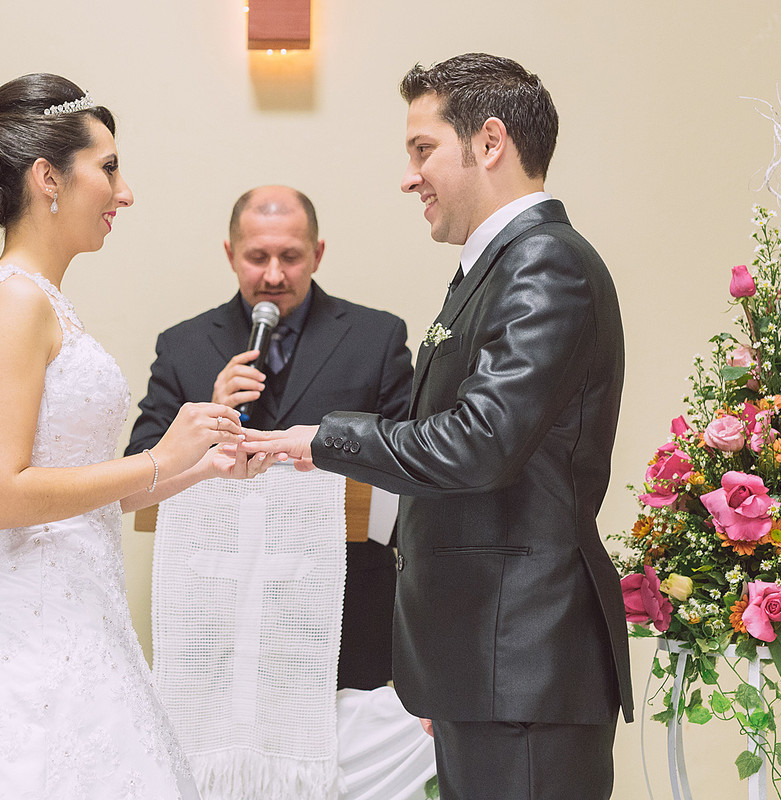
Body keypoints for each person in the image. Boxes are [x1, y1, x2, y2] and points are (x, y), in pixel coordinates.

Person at [0, 73, 274, 800]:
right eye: (107, 168)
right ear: (48, 177)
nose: (124, 192)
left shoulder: (38, 301)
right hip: (28, 632)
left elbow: (66, 478)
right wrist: (158, 459)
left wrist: (197, 464)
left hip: (76, 609)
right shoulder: (13, 300)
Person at [243, 54, 635, 800]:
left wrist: (323, 440)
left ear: (489, 143)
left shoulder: (546, 262)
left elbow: (481, 442)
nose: (409, 175)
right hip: (484, 662)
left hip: (521, 664)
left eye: (423, 150)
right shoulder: (492, 269)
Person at [126, 185, 414, 690]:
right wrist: (210, 420)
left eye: (291, 257)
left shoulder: (377, 338)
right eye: (258, 257)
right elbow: (139, 472)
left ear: (317, 254)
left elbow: (407, 459)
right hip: (216, 626)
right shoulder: (183, 346)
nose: (274, 275)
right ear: (231, 254)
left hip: (347, 619)